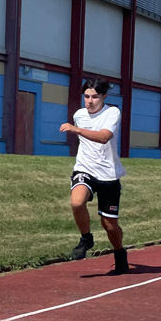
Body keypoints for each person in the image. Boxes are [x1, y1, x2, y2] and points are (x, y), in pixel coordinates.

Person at [59, 79, 129, 274]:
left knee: (109, 225)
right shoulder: (79, 115)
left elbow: (104, 137)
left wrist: (76, 129)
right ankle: (86, 238)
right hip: (85, 168)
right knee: (76, 202)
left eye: (95, 97)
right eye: (86, 96)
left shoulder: (112, 113)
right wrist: (77, 128)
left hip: (108, 175)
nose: (90, 101)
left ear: (104, 96)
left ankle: (119, 253)